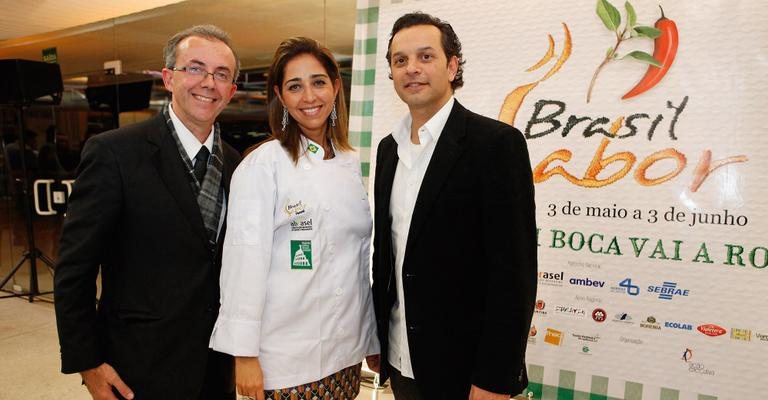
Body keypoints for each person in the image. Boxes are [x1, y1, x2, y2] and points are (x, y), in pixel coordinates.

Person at [54, 24, 242, 399]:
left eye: (222, 74)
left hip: (215, 369)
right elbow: (75, 268)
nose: (209, 82)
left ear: (232, 91)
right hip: (136, 368)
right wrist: (88, 362)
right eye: (195, 68)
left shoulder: (239, 166)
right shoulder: (114, 153)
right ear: (169, 78)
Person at [370, 12, 538, 400]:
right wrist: (379, 334)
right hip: (401, 362)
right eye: (400, 60)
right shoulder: (388, 150)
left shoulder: (495, 145)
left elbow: (514, 275)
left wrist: (495, 377)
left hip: (468, 373)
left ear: (452, 65)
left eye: (425, 57)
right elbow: (389, 254)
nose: (412, 69)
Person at [209, 37, 379, 400]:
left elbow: (356, 263)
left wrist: (370, 337)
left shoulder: (349, 161)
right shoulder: (262, 166)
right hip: (285, 360)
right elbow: (243, 266)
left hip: (344, 354)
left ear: (335, 87)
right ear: (280, 96)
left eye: (318, 82)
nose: (309, 96)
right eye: (294, 86)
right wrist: (244, 355)